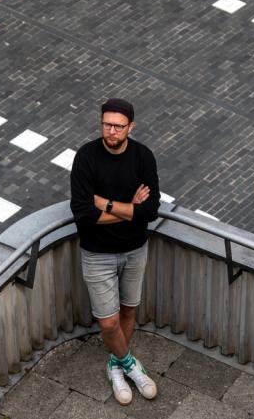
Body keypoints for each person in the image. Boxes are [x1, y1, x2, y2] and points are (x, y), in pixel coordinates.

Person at [70, 98, 161, 406]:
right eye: (105, 124)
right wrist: (129, 208)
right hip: (97, 253)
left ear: (130, 127)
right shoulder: (86, 158)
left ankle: (115, 365)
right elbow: (83, 214)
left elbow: (149, 211)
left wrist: (106, 203)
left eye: (117, 126)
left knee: (128, 311)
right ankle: (131, 366)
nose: (110, 131)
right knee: (108, 322)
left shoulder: (143, 157)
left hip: (135, 248)